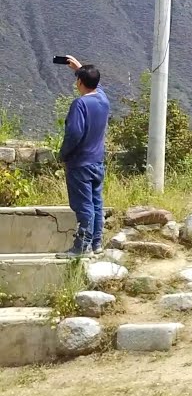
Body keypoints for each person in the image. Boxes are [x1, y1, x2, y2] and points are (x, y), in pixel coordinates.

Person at [59, 57, 110, 255]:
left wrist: (64, 154)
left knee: (83, 206)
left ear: (80, 82)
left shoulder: (79, 104)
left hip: (80, 163)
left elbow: (74, 134)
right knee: (96, 203)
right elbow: (97, 86)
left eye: (77, 79)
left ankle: (81, 247)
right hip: (97, 163)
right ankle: (96, 244)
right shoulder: (103, 100)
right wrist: (80, 68)